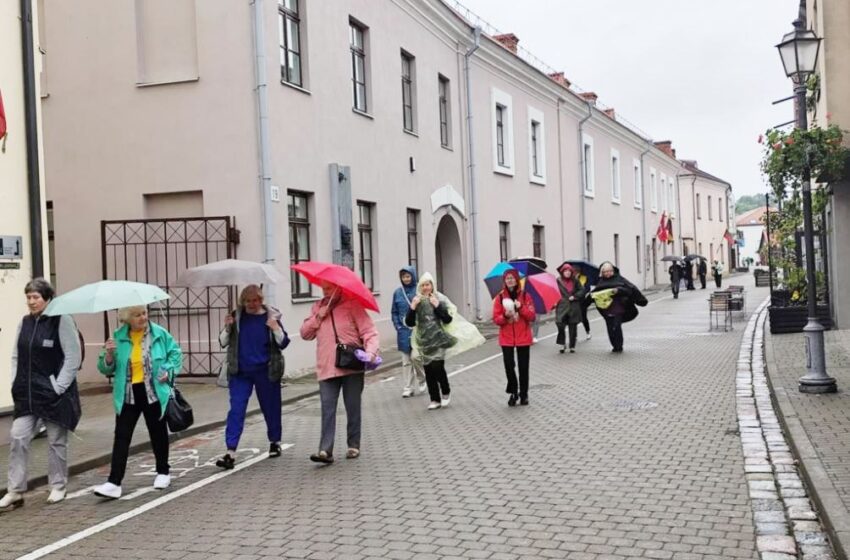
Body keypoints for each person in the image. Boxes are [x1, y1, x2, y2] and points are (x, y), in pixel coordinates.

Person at [0, 279, 82, 510]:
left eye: (36, 297)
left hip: (53, 394)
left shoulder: (62, 320)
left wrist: (58, 387)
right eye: (28, 297)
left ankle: (58, 485)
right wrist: (16, 380)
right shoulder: (24, 323)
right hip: (27, 394)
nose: (31, 301)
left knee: (56, 441)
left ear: (48, 299)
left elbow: (73, 358)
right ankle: (15, 491)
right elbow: (17, 355)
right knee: (18, 436)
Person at [93, 306, 182, 499]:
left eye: (144, 313)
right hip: (128, 393)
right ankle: (114, 482)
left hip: (153, 390)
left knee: (158, 432)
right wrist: (108, 355)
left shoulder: (158, 333)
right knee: (122, 437)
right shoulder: (117, 337)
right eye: (137, 315)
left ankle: (163, 472)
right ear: (127, 319)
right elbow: (105, 368)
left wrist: (168, 370)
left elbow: (175, 353)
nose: (142, 317)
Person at [300, 282, 379, 464]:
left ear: (339, 288)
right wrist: (318, 318)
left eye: (329, 288)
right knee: (327, 408)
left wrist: (371, 353)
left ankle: (353, 444)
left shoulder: (352, 305)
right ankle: (325, 450)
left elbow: (369, 332)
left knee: (352, 406)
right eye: (324, 288)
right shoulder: (318, 307)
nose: (325, 292)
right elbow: (305, 334)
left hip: (351, 364)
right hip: (327, 366)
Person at [215, 285, 289, 470]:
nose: (251, 304)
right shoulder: (237, 316)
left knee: (271, 407)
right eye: (248, 301)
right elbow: (222, 342)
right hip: (240, 372)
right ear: (243, 301)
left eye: (255, 300)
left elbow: (284, 342)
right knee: (236, 409)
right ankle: (230, 451)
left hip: (266, 370)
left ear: (260, 300)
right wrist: (228, 326)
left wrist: (275, 328)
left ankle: (274, 441)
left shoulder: (270, 317)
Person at [405, 273, 455, 410]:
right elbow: (409, 322)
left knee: (437, 367)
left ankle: (445, 391)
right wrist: (413, 307)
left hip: (438, 339)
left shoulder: (439, 298)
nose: (426, 288)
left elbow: (448, 319)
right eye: (423, 285)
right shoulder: (417, 301)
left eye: (428, 285)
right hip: (425, 340)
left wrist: (437, 306)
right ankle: (434, 399)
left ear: (432, 286)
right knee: (428, 370)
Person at [493, 269, 536, 406]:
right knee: (509, 366)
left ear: (517, 280)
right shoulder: (500, 298)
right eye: (507, 278)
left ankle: (524, 394)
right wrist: (506, 316)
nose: (510, 280)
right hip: (507, 337)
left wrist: (521, 307)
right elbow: (496, 319)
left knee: (524, 367)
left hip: (522, 335)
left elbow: (532, 316)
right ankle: (513, 392)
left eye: (512, 278)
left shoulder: (525, 296)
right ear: (504, 281)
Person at [590, 262, 648, 353]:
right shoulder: (600, 282)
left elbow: (630, 289)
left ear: (613, 271)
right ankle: (614, 345)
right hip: (606, 308)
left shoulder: (619, 279)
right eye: (605, 272)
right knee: (610, 328)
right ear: (602, 273)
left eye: (609, 271)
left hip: (618, 307)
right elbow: (595, 294)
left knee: (616, 326)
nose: (608, 273)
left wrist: (618, 290)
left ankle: (619, 346)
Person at [390, 266, 426, 398]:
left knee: (416, 357)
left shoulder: (419, 291)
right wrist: (398, 326)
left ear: (413, 276)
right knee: (406, 361)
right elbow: (394, 311)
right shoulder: (397, 293)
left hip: (417, 330)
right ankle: (408, 387)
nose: (406, 279)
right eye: (403, 277)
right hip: (403, 331)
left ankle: (422, 379)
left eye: (408, 276)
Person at [555, 263, 586, 354]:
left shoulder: (575, 281)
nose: (567, 273)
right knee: (560, 325)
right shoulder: (558, 281)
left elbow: (582, 290)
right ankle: (562, 344)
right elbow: (554, 291)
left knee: (573, 327)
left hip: (573, 306)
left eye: (569, 271)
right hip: (562, 306)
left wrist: (575, 296)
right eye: (565, 271)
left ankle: (572, 346)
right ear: (562, 272)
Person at [577, 270, 592, 340]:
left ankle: (588, 332)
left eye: (577, 270)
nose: (575, 271)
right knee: (573, 318)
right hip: (574, 301)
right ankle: (574, 334)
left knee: (583, 317)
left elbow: (588, 288)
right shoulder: (571, 279)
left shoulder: (584, 278)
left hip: (582, 301)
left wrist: (581, 292)